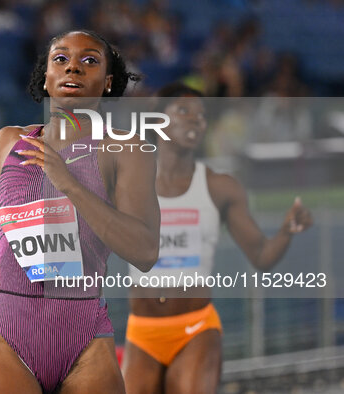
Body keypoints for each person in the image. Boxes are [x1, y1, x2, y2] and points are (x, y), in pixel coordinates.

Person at [0, 30, 161, 393]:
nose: (73, 68)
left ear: (108, 82)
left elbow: (144, 252)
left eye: (89, 61)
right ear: (46, 78)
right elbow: (3, 210)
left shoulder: (126, 149)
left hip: (84, 337)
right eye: (60, 59)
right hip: (8, 332)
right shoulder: (10, 141)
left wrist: (70, 184)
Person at [122, 83, 313, 394]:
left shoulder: (220, 187)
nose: (195, 119)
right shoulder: (128, 182)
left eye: (201, 114)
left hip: (195, 329)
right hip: (141, 331)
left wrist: (287, 230)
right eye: (183, 110)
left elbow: (262, 256)